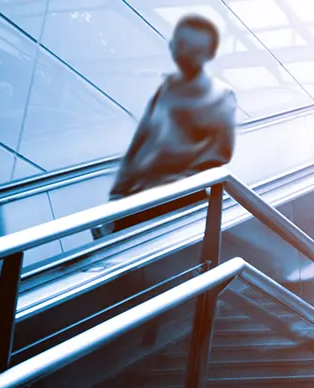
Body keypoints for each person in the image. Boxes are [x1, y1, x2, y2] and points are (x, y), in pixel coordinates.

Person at [101, 14, 237, 234]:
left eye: (191, 48)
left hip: (181, 201)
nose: (181, 52)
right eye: (179, 44)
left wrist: (175, 169)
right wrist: (117, 196)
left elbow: (222, 154)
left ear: (208, 54)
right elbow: (139, 144)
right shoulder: (166, 90)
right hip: (139, 200)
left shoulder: (220, 96)